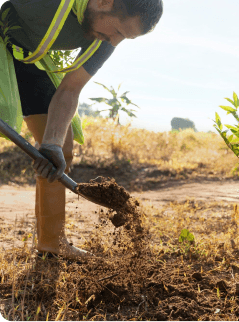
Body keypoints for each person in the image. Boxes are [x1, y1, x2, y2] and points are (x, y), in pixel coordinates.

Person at [0, 0, 163, 261]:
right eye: (119, 32)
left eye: (125, 39)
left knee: (60, 145)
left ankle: (52, 246)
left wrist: (51, 143)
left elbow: (70, 89)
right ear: (103, 2)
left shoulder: (103, 39)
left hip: (26, 57)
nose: (115, 42)